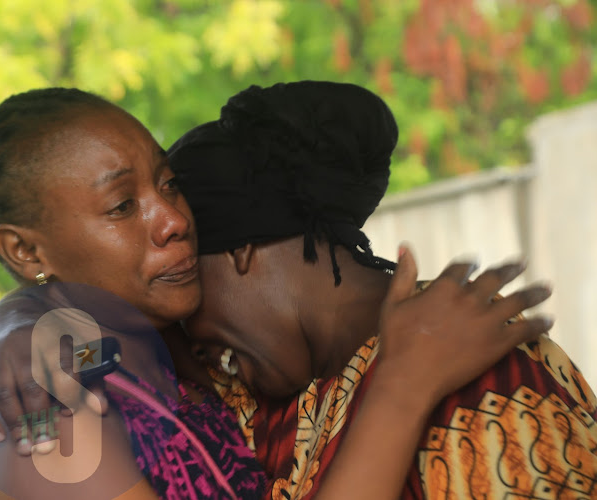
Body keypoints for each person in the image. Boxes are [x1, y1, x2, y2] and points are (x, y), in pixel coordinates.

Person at [0, 83, 557, 500]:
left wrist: (11, 322)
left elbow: (68, 345)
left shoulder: (132, 361)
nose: (174, 219)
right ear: (24, 250)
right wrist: (402, 386)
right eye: (122, 206)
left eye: (166, 184)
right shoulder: (43, 420)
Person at [167, 81, 597, 499]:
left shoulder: (478, 371)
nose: (183, 323)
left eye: (182, 273)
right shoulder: (256, 402)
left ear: (239, 248)